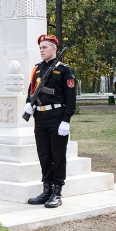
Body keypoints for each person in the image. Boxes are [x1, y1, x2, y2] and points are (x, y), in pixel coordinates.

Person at [24, 34, 76, 208]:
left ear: (54, 49)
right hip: (40, 117)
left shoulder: (64, 70)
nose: (41, 50)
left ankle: (57, 192)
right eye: (40, 48)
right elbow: (31, 90)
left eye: (44, 47)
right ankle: (46, 189)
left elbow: (71, 98)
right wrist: (28, 105)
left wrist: (66, 120)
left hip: (57, 117)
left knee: (58, 155)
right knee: (44, 154)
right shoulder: (37, 69)